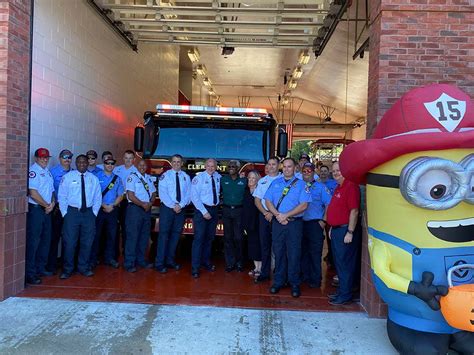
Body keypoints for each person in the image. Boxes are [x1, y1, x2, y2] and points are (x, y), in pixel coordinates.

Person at [264, 157, 311, 298]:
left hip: (294, 224)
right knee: (278, 252)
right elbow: (267, 200)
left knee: (294, 254)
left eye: (289, 166)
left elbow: (304, 205)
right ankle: (279, 281)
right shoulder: (275, 183)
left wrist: (286, 215)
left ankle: (294, 283)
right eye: (284, 166)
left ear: (295, 168)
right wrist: (278, 215)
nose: (286, 169)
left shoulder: (302, 185)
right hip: (278, 222)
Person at [58, 154, 102, 279]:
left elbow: (98, 197)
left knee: (87, 242)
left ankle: (83, 267)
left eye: (84, 162)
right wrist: (64, 213)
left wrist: (94, 213)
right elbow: (62, 196)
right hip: (72, 213)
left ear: (88, 164)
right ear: (75, 164)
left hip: (88, 214)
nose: (82, 164)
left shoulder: (93, 179)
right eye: (79, 162)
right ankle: (67, 269)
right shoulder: (67, 177)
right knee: (70, 242)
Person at [326, 162, 360, 305]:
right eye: (333, 171)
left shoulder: (350, 186)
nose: (335, 173)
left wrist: (350, 232)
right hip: (337, 230)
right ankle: (341, 291)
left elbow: (354, 211)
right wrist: (332, 228)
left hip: (346, 231)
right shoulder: (338, 187)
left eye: (338, 170)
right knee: (339, 264)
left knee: (345, 264)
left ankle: (345, 295)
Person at [155, 154, 191, 273]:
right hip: (167, 209)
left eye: (178, 162)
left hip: (180, 210)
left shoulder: (186, 177)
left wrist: (180, 206)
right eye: (174, 161)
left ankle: (170, 261)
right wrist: (173, 205)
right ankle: (159, 263)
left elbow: (188, 194)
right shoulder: (165, 176)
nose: (176, 163)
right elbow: (163, 193)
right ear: (171, 163)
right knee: (163, 236)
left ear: (182, 163)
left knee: (176, 236)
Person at [26, 148, 55, 285]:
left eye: (46, 157)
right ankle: (30, 274)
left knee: (45, 240)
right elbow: (33, 192)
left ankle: (40, 268)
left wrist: (52, 203)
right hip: (37, 210)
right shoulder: (34, 172)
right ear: (36, 158)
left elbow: (51, 191)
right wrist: (46, 205)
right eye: (42, 157)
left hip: (47, 210)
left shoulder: (47, 171)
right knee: (34, 242)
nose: (45, 159)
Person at [300, 162, 332, 288]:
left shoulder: (320, 187)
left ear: (313, 173)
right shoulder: (299, 186)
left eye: (309, 171)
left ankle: (315, 279)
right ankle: (304, 276)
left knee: (315, 252)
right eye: (304, 171)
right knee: (302, 251)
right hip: (300, 224)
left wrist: (324, 221)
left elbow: (329, 204)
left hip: (315, 224)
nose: (306, 173)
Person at [89, 157, 123, 269]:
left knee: (112, 235)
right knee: (96, 235)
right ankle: (93, 259)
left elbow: (120, 195)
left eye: (112, 163)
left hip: (113, 210)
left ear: (114, 165)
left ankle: (110, 258)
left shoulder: (117, 179)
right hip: (100, 209)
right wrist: (103, 205)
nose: (109, 165)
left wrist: (112, 206)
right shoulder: (96, 177)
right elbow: (93, 194)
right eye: (107, 163)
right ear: (103, 164)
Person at [124, 159, 156, 273]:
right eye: (140, 165)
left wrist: (150, 203)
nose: (142, 167)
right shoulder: (132, 177)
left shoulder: (148, 178)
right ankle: (129, 263)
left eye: (144, 165)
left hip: (146, 210)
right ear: (137, 166)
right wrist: (143, 204)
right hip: (135, 210)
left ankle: (141, 260)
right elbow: (131, 196)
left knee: (144, 236)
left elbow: (153, 193)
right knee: (133, 237)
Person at [190, 158, 221, 278]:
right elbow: (194, 196)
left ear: (216, 167)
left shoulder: (217, 177)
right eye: (209, 165)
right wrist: (204, 211)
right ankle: (195, 268)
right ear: (205, 166)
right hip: (201, 211)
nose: (211, 168)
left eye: (213, 166)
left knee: (209, 239)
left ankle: (206, 262)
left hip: (214, 210)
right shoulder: (199, 179)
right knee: (199, 239)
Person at [253, 157, 281, 283]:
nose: (271, 167)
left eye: (274, 164)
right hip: (264, 217)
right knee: (265, 245)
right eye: (269, 164)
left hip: (279, 217)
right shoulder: (262, 181)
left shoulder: (283, 180)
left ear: (278, 165)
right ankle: (264, 273)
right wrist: (265, 212)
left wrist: (274, 213)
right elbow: (257, 200)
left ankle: (280, 274)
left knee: (279, 247)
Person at [46, 149, 73, 273]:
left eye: (69, 157)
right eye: (64, 157)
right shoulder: (52, 172)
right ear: (59, 158)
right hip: (56, 209)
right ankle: (51, 265)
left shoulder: (74, 173)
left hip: (70, 210)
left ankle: (64, 263)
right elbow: (50, 190)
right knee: (54, 237)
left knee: (68, 238)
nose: (67, 159)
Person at [221, 160, 247, 272]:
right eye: (229, 166)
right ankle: (230, 263)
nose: (231, 168)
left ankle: (239, 262)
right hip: (226, 210)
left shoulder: (244, 180)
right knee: (228, 238)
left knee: (239, 238)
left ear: (238, 168)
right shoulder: (222, 179)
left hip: (239, 211)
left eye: (233, 166)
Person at [114, 150, 139, 255]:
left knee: (126, 227)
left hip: (128, 202)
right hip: (115, 201)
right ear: (123, 158)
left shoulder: (137, 172)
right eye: (126, 158)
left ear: (134, 160)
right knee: (114, 227)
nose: (128, 160)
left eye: (130, 158)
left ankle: (125, 250)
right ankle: (114, 251)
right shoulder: (116, 169)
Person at [242, 170, 261, 277]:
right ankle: (255, 267)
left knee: (259, 244)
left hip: (258, 223)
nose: (251, 180)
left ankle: (260, 268)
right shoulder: (246, 191)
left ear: (257, 180)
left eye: (253, 178)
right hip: (248, 223)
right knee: (252, 245)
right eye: (249, 178)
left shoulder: (259, 191)